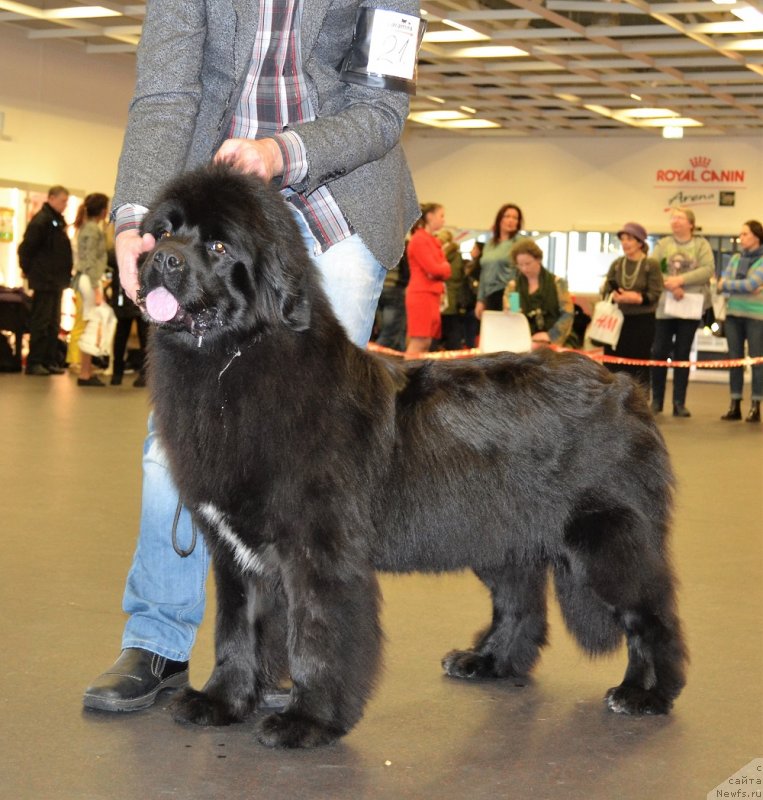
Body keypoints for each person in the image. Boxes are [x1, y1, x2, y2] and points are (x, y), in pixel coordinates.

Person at [83, 0, 423, 712]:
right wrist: (135, 217)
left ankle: (295, 651)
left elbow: (380, 109)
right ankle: (158, 638)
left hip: (334, 202)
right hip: (211, 213)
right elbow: (166, 91)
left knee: (314, 459)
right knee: (171, 445)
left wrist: (282, 152)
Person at [650, 207, 714, 417]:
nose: (675, 221)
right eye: (673, 218)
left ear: (690, 224)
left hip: (690, 305)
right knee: (659, 351)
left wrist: (682, 280)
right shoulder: (663, 244)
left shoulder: (701, 245)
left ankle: (679, 402)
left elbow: (707, 269)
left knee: (682, 353)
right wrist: (671, 284)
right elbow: (653, 267)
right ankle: (656, 401)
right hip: (665, 305)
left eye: (679, 218)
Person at [600, 222, 663, 389]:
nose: (625, 243)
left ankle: (639, 401)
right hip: (616, 320)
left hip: (642, 322)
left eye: (629, 239)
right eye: (622, 239)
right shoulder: (617, 264)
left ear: (640, 242)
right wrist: (614, 295)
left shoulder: (651, 265)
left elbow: (655, 294)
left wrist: (637, 298)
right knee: (613, 364)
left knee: (638, 364)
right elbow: (606, 289)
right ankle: (611, 398)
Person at [17, 185, 72, 376]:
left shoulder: (56, 221)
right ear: (51, 198)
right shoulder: (41, 221)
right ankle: (35, 362)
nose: (65, 205)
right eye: (63, 200)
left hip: (55, 281)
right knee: (41, 321)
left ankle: (49, 360)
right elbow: (26, 249)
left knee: (53, 323)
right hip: (44, 280)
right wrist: (27, 270)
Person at [717, 219, 763, 423]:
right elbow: (722, 285)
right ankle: (734, 403)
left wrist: (732, 284)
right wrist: (743, 286)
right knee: (734, 359)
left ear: (757, 236)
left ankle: (756, 405)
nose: (741, 238)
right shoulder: (735, 258)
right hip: (733, 314)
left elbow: (753, 282)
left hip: (756, 316)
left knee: (756, 360)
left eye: (745, 234)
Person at [504, 238, 578, 348]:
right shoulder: (513, 287)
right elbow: (512, 315)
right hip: (525, 340)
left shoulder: (557, 283)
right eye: (520, 265)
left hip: (556, 339)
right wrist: (510, 312)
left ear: (538, 259)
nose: (524, 268)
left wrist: (550, 335)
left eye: (528, 263)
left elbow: (567, 313)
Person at [70, 194, 110, 387]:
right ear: (103, 210)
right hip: (89, 281)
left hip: (87, 280)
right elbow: (88, 261)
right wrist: (96, 288)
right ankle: (85, 372)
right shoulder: (92, 230)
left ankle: (86, 370)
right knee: (91, 324)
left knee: (90, 323)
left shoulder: (89, 228)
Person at [404, 203, 452, 358]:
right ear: (430, 216)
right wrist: (442, 268)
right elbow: (435, 269)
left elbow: (443, 270)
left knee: (426, 343)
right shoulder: (419, 240)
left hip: (431, 295)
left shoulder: (432, 240)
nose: (444, 220)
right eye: (441, 216)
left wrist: (441, 269)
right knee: (419, 342)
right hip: (421, 295)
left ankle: (414, 378)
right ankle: (407, 380)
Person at [475, 203, 526, 320]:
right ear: (499, 219)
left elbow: (523, 273)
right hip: (489, 294)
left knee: (512, 326)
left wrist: (514, 304)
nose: (511, 220)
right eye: (507, 216)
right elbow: (484, 273)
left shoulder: (520, 242)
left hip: (512, 294)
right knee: (491, 331)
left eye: (515, 218)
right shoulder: (489, 244)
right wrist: (480, 300)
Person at [374, 246, 409, 354]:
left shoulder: (378, 245)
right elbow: (406, 271)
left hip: (380, 290)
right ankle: (374, 360)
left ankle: (399, 363)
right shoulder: (398, 245)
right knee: (391, 332)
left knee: (395, 330)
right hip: (394, 289)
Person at [436, 228, 466, 350]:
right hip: (448, 296)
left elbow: (453, 275)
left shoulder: (447, 255)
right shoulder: (454, 255)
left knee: (451, 328)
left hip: (449, 296)